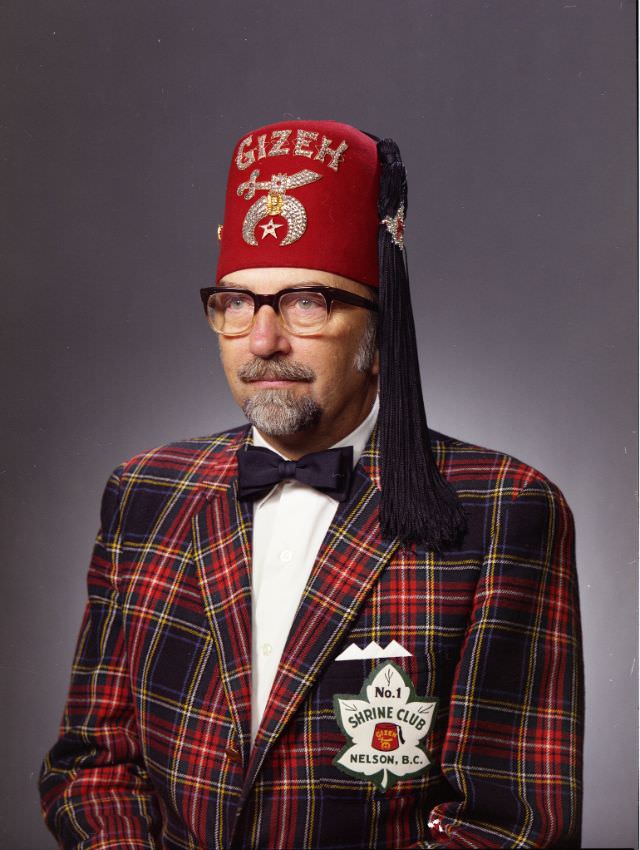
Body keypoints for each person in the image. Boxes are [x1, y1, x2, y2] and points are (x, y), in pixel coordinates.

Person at [39, 120, 583, 849]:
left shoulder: (506, 509)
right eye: (236, 303)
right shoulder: (143, 490)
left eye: (306, 302)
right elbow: (91, 768)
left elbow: (510, 826)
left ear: (377, 331)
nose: (262, 341)